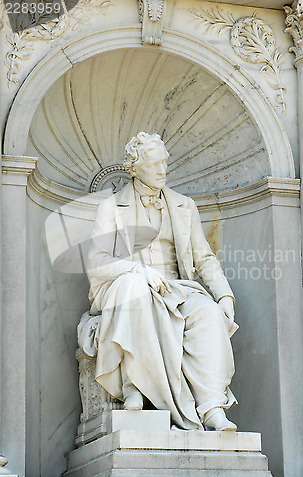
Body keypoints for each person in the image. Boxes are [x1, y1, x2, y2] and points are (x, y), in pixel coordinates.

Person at [86, 132, 238, 431]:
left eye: (164, 163)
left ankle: (211, 407)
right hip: (127, 284)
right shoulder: (111, 208)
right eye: (154, 164)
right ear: (135, 167)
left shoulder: (183, 205)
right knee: (135, 290)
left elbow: (204, 259)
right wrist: (137, 271)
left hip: (175, 288)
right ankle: (135, 387)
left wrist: (224, 297)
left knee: (207, 313)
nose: (162, 170)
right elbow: (96, 262)